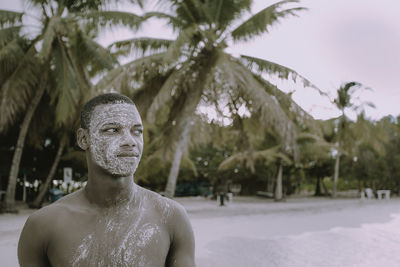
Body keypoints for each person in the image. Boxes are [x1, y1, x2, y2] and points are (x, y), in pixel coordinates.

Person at [18, 93, 195, 267]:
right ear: (83, 138)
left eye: (137, 131)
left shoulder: (171, 217)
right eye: (113, 130)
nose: (130, 141)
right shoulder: (43, 226)